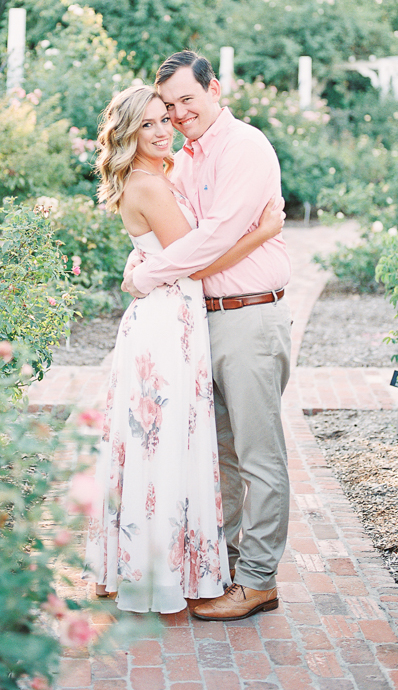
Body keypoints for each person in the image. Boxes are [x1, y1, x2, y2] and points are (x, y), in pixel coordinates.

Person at [85, 84, 283, 614]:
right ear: (126, 132)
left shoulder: (165, 174)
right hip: (165, 327)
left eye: (164, 118)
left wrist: (143, 268)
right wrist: (263, 231)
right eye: (147, 123)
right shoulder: (148, 185)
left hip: (177, 319)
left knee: (173, 443)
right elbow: (195, 261)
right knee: (164, 444)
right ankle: (160, 573)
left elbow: (173, 256)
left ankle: (170, 565)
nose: (161, 128)